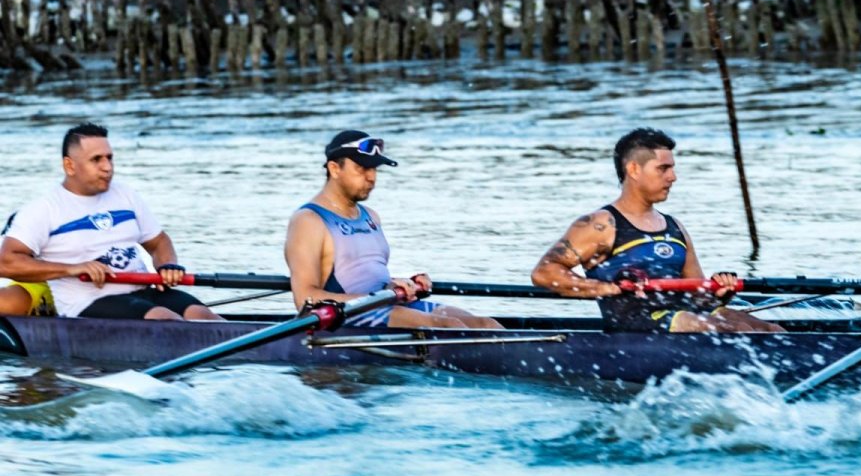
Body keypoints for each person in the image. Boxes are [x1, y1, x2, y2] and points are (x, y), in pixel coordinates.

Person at [531, 127, 784, 333]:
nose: (673, 177)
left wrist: (719, 294)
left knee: (767, 329)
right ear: (633, 170)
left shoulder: (675, 227)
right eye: (663, 168)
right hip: (637, 324)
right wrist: (606, 288)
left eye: (672, 168)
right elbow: (544, 273)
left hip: (685, 317)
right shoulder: (600, 224)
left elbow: (699, 298)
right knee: (729, 329)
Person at [0, 123, 221, 321]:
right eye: (96, 159)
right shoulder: (43, 209)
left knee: (201, 315)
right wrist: (72, 269)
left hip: (142, 291)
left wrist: (167, 265)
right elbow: (6, 262)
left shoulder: (126, 195)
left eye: (109, 157)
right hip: (89, 301)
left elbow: (159, 242)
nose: (107, 167)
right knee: (163, 318)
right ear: (70, 165)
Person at [284, 130, 502, 329]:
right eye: (362, 168)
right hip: (349, 317)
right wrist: (381, 295)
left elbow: (363, 278)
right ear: (334, 168)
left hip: (385, 305)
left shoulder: (371, 217)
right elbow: (305, 298)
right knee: (450, 327)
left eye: (374, 169)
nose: (372, 177)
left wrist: (406, 285)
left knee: (486, 324)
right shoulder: (309, 221)